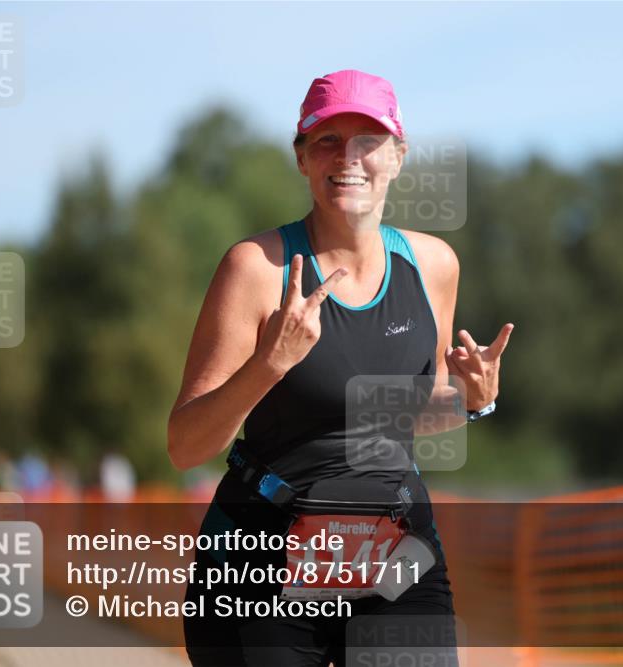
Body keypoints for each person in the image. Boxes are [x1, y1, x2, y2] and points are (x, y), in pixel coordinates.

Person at [169, 68, 513, 667]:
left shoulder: (432, 265)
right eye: (327, 140)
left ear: (398, 157)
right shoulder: (256, 268)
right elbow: (184, 444)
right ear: (301, 158)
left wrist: (470, 400)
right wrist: (268, 366)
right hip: (263, 559)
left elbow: (407, 414)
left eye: (367, 141)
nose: (347, 158)